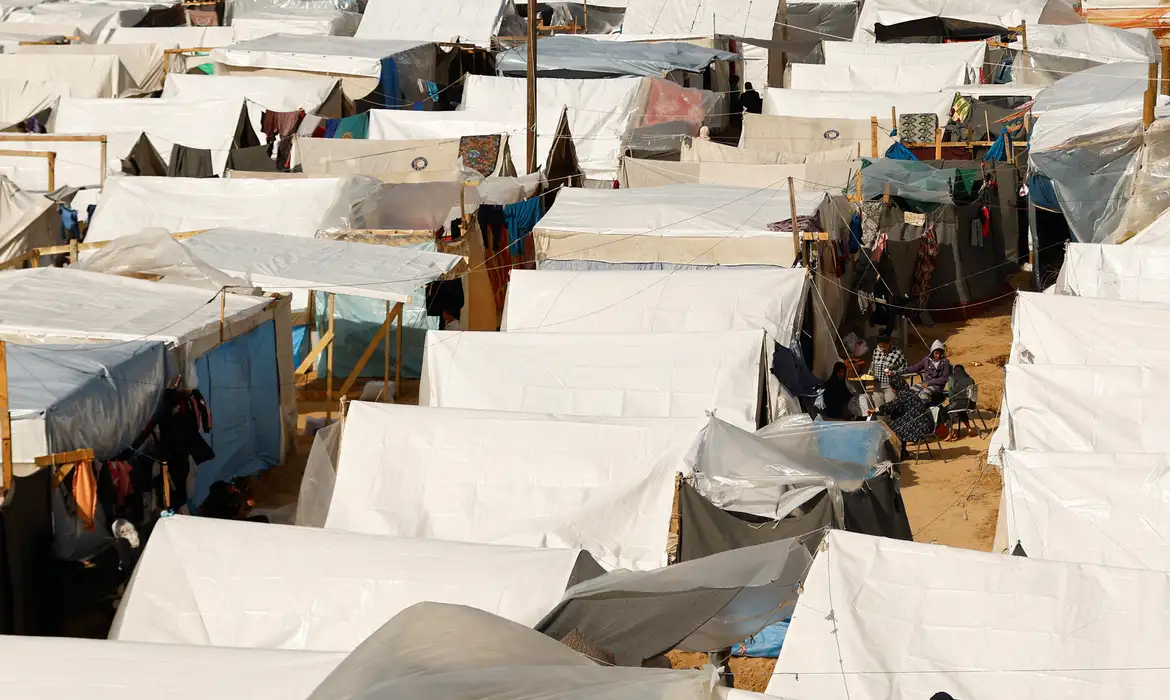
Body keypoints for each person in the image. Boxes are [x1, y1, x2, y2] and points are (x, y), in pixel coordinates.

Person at [880, 376, 935, 460]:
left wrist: (877, 410)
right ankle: (903, 453)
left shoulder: (903, 395)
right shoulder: (908, 393)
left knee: (893, 428)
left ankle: (901, 454)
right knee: (896, 423)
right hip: (921, 424)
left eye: (892, 388)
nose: (892, 390)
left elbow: (890, 406)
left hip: (919, 427)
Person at [867, 332, 906, 409]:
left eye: (884, 346)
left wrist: (894, 372)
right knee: (879, 409)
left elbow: (904, 369)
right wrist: (870, 371)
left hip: (890, 386)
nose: (882, 349)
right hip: (877, 386)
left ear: (889, 343)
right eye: (880, 346)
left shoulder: (898, 353)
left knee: (890, 408)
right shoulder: (876, 351)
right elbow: (873, 363)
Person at [943, 364, 976, 441]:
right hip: (969, 404)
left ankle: (951, 431)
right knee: (961, 410)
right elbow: (974, 395)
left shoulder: (952, 378)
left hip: (957, 403)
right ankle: (969, 428)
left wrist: (951, 402)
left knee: (943, 411)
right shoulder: (971, 379)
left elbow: (950, 393)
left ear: (954, 371)